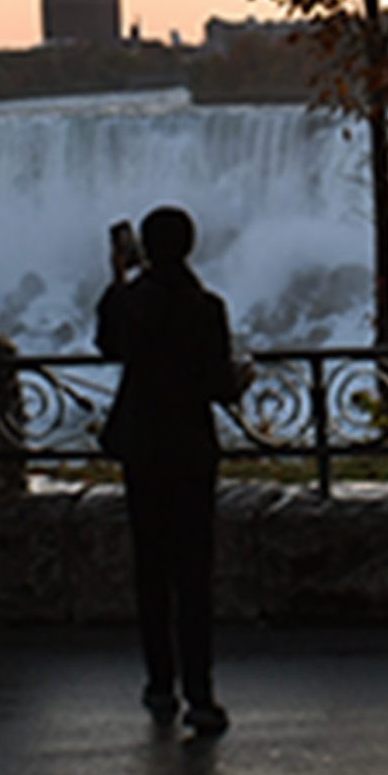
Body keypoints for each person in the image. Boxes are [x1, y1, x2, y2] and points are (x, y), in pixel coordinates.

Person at [96, 205, 248, 737]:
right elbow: (218, 384)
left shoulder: (130, 302)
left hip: (142, 445)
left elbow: (108, 344)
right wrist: (241, 378)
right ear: (190, 246)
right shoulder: (205, 307)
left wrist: (119, 275)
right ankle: (201, 693)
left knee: (150, 567)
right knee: (193, 572)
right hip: (189, 447)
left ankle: (160, 681)